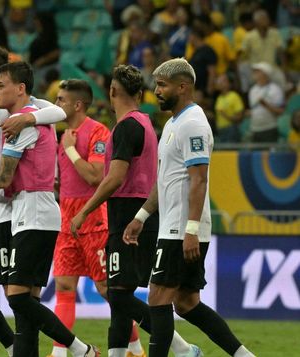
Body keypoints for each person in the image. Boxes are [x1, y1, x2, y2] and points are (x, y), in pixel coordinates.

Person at [123, 58, 255, 357]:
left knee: (157, 297)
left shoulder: (193, 124)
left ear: (182, 87)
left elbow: (199, 180)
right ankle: (244, 355)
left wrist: (191, 230)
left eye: (162, 85)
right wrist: (141, 216)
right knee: (186, 303)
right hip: (174, 225)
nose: (156, 91)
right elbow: (166, 180)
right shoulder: (173, 123)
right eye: (156, 84)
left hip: (181, 228)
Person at [0, 61, 99, 357]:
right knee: (25, 300)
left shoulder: (25, 123)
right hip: (25, 213)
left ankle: (80, 349)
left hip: (36, 213)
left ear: (21, 88)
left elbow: (4, 177)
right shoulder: (23, 119)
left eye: (1, 86)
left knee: (18, 298)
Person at [71, 64, 200, 357]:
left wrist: (84, 211)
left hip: (129, 214)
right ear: (140, 93)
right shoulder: (146, 123)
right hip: (143, 211)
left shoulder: (127, 127)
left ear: (112, 91)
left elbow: (115, 177)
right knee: (120, 294)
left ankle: (182, 349)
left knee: (118, 294)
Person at [0, 45, 69, 357]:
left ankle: (33, 351)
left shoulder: (12, 105)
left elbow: (59, 112)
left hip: (12, 213)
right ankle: (14, 346)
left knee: (19, 296)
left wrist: (27, 121)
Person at [46, 79, 145, 357]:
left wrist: (69, 150)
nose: (57, 105)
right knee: (64, 286)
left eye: (61, 100)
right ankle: (59, 353)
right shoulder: (63, 134)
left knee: (106, 288)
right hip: (66, 218)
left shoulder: (97, 133)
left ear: (77, 104)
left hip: (94, 219)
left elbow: (96, 176)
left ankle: (135, 349)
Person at [247, 62, 284, 143]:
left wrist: (266, 105)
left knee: (268, 154)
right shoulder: (253, 90)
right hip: (255, 129)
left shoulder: (275, 89)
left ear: (265, 74)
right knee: (256, 155)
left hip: (269, 128)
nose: (254, 73)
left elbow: (281, 111)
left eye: (258, 71)